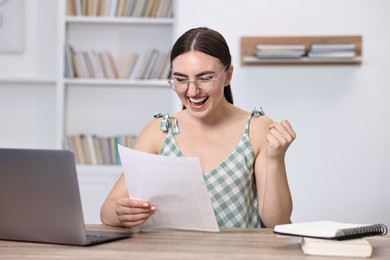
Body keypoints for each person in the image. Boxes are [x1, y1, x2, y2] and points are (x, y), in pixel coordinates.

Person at [100, 27, 296, 229]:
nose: (192, 91)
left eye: (205, 78)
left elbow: (277, 222)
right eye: (181, 79)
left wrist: (276, 159)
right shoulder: (159, 131)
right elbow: (107, 209)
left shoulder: (257, 129)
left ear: (228, 75)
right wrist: (121, 212)